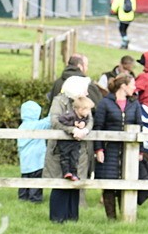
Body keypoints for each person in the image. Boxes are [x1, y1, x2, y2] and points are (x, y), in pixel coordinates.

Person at [44, 76, 93, 223]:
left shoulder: (84, 102)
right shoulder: (59, 101)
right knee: (60, 181)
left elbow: (90, 119)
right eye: (84, 89)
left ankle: (72, 218)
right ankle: (58, 218)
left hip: (79, 149)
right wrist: (72, 130)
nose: (87, 93)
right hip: (61, 150)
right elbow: (54, 121)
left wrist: (85, 130)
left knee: (75, 183)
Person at [93, 74, 141, 220]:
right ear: (123, 86)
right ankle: (111, 218)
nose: (135, 88)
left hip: (129, 149)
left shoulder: (134, 104)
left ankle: (126, 216)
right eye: (132, 85)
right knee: (108, 183)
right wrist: (99, 149)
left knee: (127, 181)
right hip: (110, 149)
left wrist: (140, 150)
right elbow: (98, 127)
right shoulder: (105, 103)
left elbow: (140, 127)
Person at [17, 100, 51, 203]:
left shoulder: (21, 127)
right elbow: (48, 121)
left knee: (25, 178)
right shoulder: (37, 125)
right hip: (36, 160)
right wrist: (53, 109)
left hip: (25, 160)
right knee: (36, 179)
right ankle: (35, 198)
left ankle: (23, 197)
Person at [55, 96, 95, 181]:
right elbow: (61, 119)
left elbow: (88, 122)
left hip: (75, 142)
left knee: (75, 157)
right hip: (65, 142)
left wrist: (83, 125)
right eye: (87, 110)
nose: (89, 112)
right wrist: (73, 124)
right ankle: (66, 172)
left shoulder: (85, 117)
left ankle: (74, 173)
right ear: (80, 109)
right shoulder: (70, 115)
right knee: (65, 156)